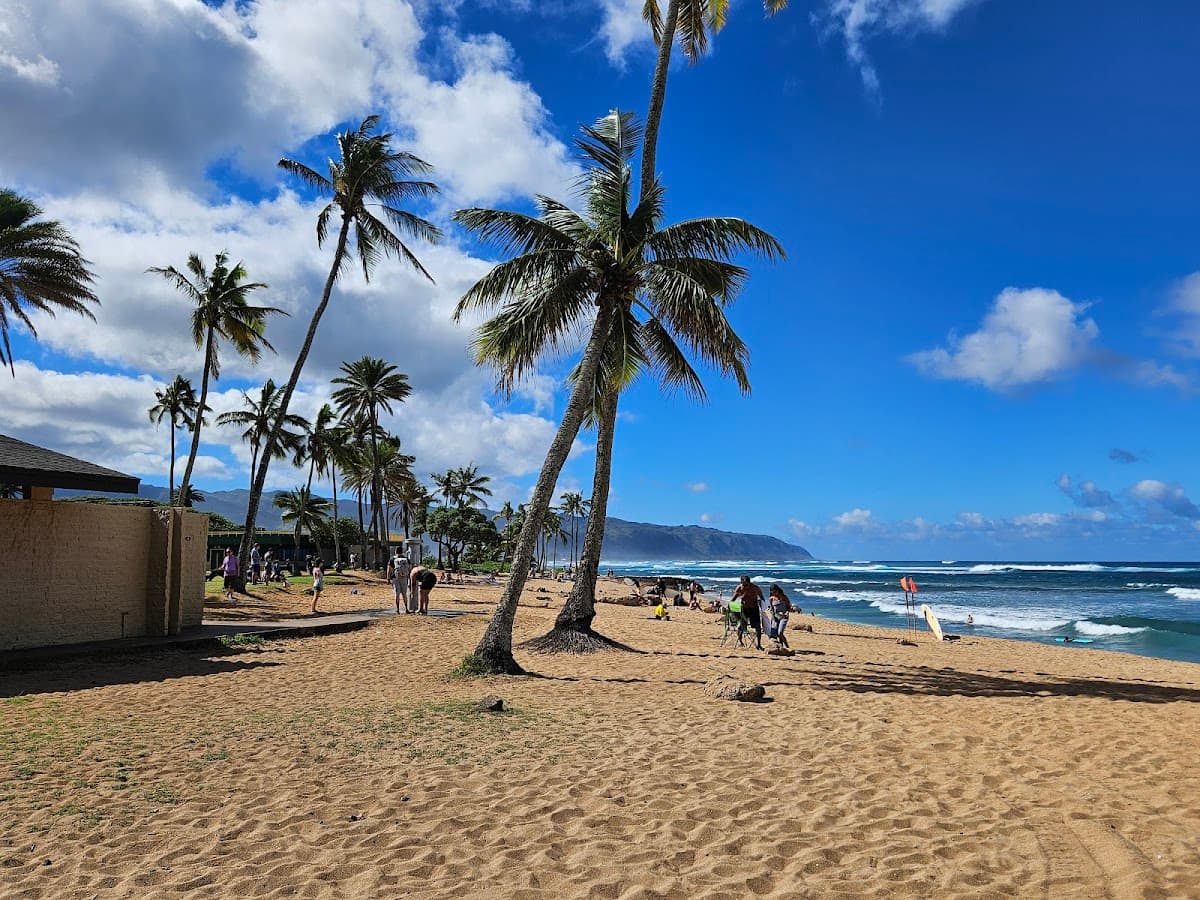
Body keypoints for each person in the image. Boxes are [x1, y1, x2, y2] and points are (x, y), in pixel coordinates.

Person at [731, 575, 765, 650]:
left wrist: (764, 607)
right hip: (744, 609)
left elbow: (762, 597)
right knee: (741, 626)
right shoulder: (740, 588)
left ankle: (759, 644)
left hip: (754, 609)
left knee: (757, 627)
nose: (741, 584)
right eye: (741, 582)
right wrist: (730, 605)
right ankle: (740, 641)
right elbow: (733, 598)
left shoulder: (755, 588)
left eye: (743, 582)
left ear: (747, 582)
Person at [769, 584, 793, 650]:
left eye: (774, 592)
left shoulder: (783, 597)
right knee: (775, 633)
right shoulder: (771, 599)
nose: (773, 593)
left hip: (784, 616)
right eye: (772, 592)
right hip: (776, 617)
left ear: (778, 591)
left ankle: (787, 646)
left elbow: (789, 606)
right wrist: (773, 616)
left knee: (780, 632)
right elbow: (772, 609)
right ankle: (781, 646)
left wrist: (787, 612)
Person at [388, 550, 413, 614]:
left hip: (395, 578)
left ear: (396, 551)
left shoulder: (392, 559)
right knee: (404, 594)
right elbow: (410, 569)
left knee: (397, 594)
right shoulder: (406, 559)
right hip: (404, 578)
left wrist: (388, 578)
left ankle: (397, 609)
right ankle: (406, 609)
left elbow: (389, 569)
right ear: (402, 552)